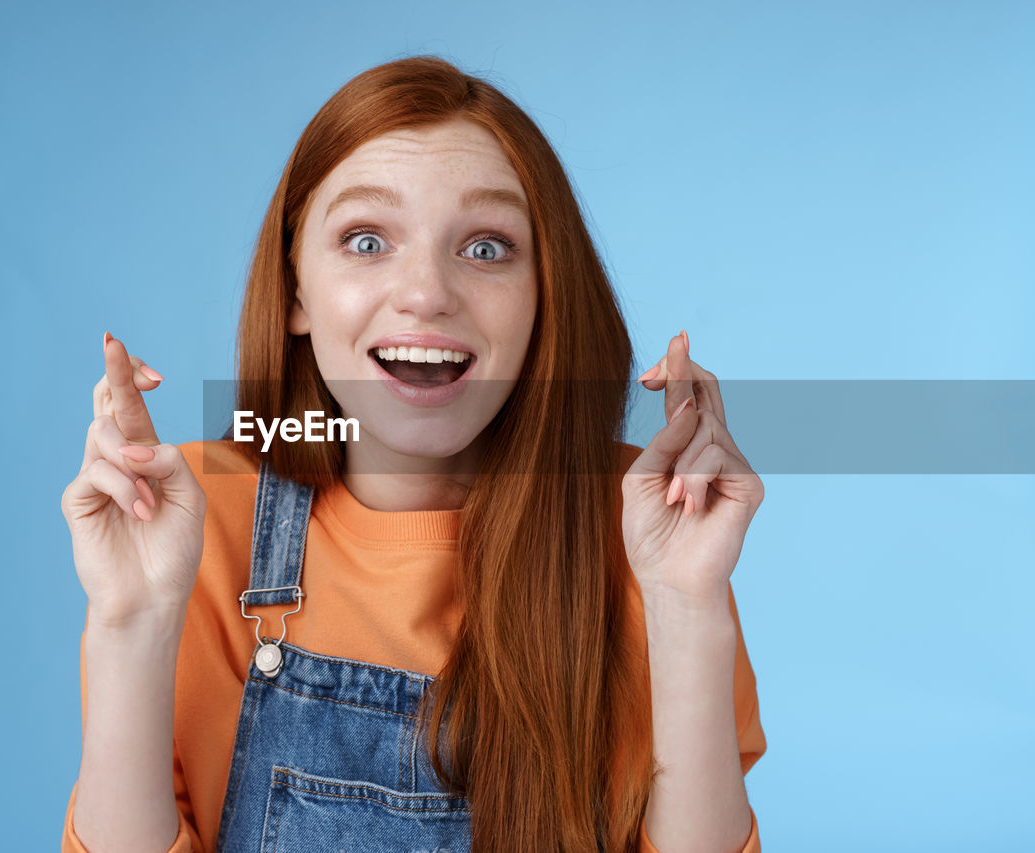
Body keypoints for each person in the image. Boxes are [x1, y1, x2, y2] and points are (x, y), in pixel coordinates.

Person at [59, 55, 766, 853]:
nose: (426, 292)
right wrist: (131, 620)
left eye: (488, 247)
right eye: (366, 240)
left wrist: (686, 604)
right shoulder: (192, 512)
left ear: (545, 296)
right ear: (296, 290)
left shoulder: (643, 529)